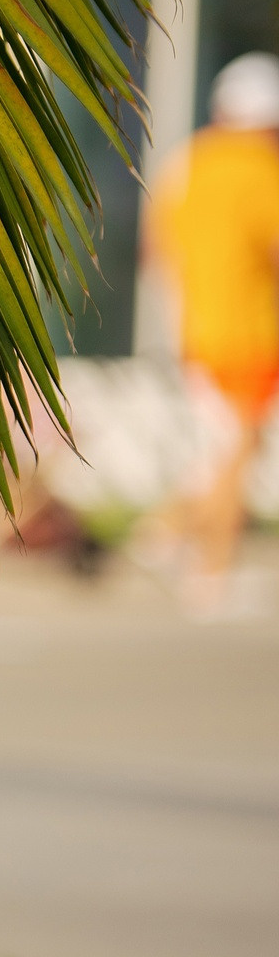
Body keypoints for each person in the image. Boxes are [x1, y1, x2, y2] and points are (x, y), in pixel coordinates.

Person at [144, 50, 279, 617]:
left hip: (197, 330)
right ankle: (208, 570)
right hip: (250, 332)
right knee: (238, 450)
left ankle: (165, 533)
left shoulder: (187, 164)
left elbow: (158, 246)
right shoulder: (262, 169)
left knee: (229, 449)